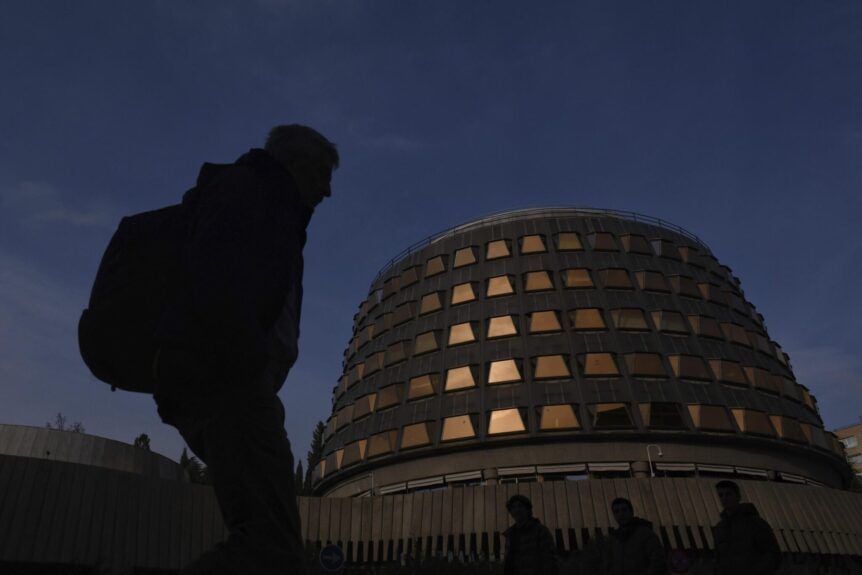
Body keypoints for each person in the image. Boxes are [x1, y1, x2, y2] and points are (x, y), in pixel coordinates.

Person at [152, 124, 338, 574]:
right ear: (293, 164)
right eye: (320, 173)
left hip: (230, 384)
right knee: (270, 546)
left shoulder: (269, 207)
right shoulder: (253, 195)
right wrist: (249, 363)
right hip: (229, 383)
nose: (327, 191)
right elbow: (214, 283)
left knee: (270, 542)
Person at [713, 480, 781, 575]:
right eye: (721, 495)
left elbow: (772, 555)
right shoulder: (720, 528)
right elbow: (719, 559)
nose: (724, 498)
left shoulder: (755, 523)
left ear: (738, 496)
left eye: (728, 494)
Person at [605, 497, 666, 575]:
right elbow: (609, 565)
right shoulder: (614, 540)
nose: (621, 514)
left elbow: (658, 561)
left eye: (624, 510)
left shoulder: (646, 534)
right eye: (616, 512)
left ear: (631, 512)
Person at [503, 494, 558, 575]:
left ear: (527, 510)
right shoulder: (510, 534)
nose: (517, 510)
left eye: (520, 506)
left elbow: (549, 560)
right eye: (513, 507)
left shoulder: (540, 531)